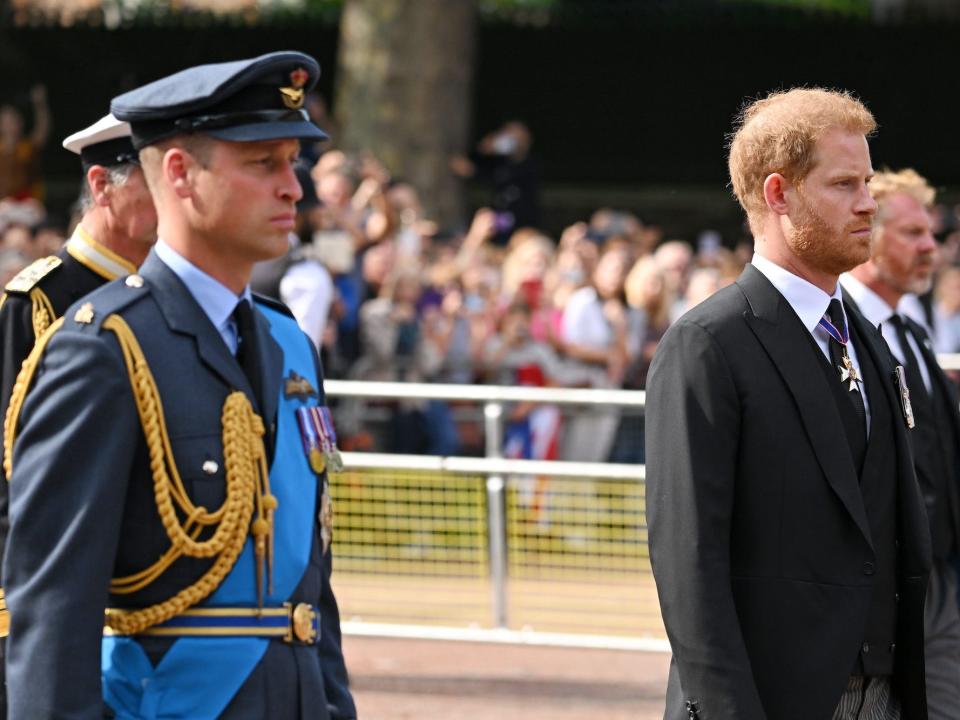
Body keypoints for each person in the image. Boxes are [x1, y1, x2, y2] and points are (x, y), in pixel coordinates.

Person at [3, 52, 355, 719]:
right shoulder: (105, 347)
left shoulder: (289, 344)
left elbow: (308, 594)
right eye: (263, 164)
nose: (293, 188)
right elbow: (54, 607)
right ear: (180, 174)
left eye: (293, 163)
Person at [646, 88, 932, 720]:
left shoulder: (867, 337)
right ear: (778, 194)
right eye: (843, 185)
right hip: (769, 699)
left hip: (885, 693)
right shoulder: (707, 345)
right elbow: (688, 561)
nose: (867, 204)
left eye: (868, 183)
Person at [0, 111, 157, 716]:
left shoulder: (161, 294)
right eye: (154, 184)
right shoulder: (43, 299)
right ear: (102, 186)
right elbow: (16, 466)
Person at [842, 168, 960, 719]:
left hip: (938, 572)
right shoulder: (836, 331)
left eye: (931, 233)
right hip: (880, 588)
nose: (930, 247)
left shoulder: (911, 329)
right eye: (912, 233)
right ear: (870, 237)